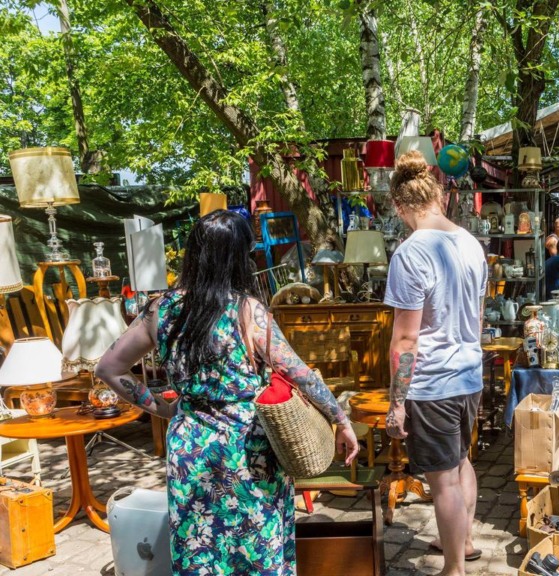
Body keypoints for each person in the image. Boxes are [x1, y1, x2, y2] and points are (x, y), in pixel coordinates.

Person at [96, 210, 359, 576]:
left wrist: (162, 409)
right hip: (246, 449)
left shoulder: (160, 309)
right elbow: (300, 374)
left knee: (199, 546)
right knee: (256, 545)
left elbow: (108, 368)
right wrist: (340, 419)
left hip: (190, 446)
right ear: (239, 256)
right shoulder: (246, 310)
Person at [383, 151, 488, 576]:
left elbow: (405, 340)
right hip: (469, 375)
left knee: (442, 478)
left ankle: (454, 568)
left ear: (399, 206)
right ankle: (462, 541)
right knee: (461, 461)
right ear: (440, 197)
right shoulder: (470, 243)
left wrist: (396, 402)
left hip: (433, 382)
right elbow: (477, 319)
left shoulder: (411, 253)